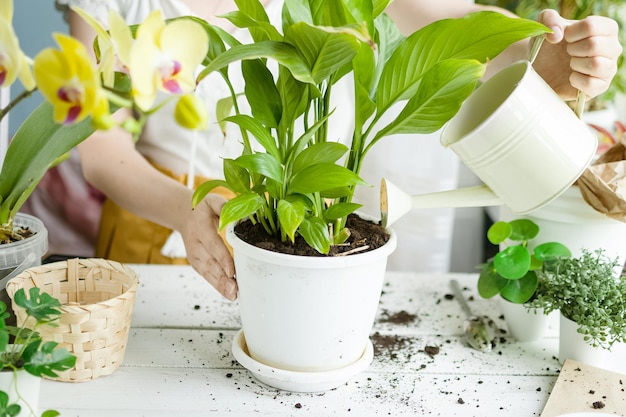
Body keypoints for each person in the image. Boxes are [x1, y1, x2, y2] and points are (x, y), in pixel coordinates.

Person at [43, 0, 621, 301]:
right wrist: (185, 207)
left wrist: (541, 50)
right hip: (166, 230)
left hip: (302, 236)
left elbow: (456, 24)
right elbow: (98, 148)